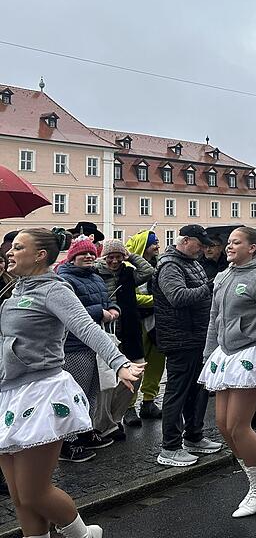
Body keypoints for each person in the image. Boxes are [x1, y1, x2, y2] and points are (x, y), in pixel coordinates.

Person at [2, 228, 143, 538]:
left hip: (39, 392)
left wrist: (119, 363)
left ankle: (84, 535)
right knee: (19, 496)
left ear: (40, 256)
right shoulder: (15, 291)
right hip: (8, 393)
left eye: (19, 247)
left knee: (34, 493)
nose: (9, 252)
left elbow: (87, 328)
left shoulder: (54, 290)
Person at [199, 227, 256, 518]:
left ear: (252, 248)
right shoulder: (222, 277)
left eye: (236, 242)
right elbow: (214, 318)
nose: (229, 246)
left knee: (238, 425)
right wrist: (208, 354)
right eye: (229, 242)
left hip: (252, 354)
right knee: (223, 425)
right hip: (225, 355)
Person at [153, 225, 223, 467]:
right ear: (185, 241)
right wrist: (209, 287)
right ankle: (170, 447)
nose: (203, 249)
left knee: (198, 390)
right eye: (199, 244)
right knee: (177, 392)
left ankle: (194, 436)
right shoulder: (170, 266)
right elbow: (178, 297)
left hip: (197, 337)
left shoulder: (191, 262)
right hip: (180, 339)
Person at [56, 239, 120, 462]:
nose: (89, 257)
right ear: (72, 257)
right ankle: (67, 442)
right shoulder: (64, 279)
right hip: (74, 345)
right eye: (83, 254)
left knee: (92, 391)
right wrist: (99, 312)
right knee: (75, 394)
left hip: (94, 342)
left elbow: (108, 299)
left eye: (92, 254)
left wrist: (113, 308)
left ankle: (85, 431)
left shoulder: (96, 277)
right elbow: (70, 311)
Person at [93, 238, 153, 435]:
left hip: (130, 330)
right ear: (104, 257)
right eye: (110, 257)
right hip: (106, 331)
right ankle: (105, 424)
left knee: (137, 372)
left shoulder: (128, 273)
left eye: (118, 256)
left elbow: (148, 271)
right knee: (107, 379)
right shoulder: (95, 273)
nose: (115, 261)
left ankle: (116, 416)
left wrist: (131, 256)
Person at [124, 230, 163, 421]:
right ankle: (128, 406)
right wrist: (156, 301)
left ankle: (149, 400)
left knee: (157, 362)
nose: (157, 246)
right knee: (135, 364)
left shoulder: (160, 265)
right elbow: (131, 297)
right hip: (136, 321)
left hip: (156, 320)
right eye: (153, 243)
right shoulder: (128, 268)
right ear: (143, 245)